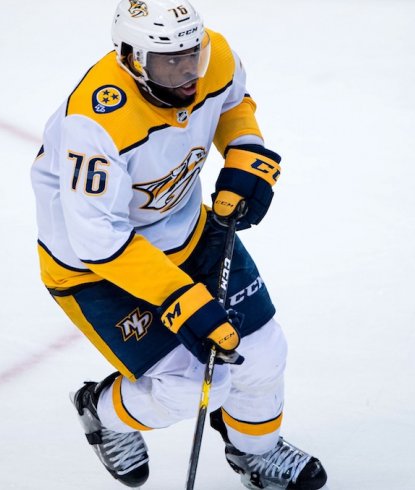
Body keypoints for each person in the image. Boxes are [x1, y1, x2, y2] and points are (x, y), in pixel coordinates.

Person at [30, 1, 327, 488]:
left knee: (264, 352)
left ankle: (257, 453)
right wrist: (179, 298)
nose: (190, 72)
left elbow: (233, 103)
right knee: (188, 386)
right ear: (130, 57)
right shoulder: (96, 124)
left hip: (187, 231)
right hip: (97, 269)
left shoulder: (217, 59)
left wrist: (243, 151)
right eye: (171, 61)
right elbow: (97, 240)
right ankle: (101, 412)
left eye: (195, 54)